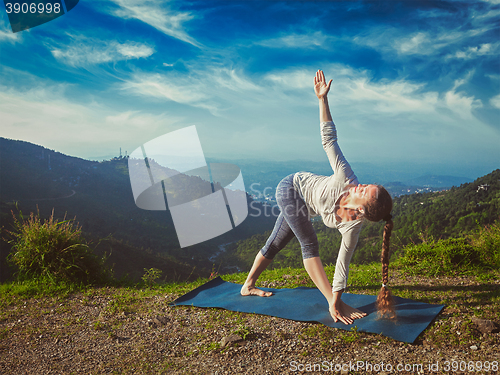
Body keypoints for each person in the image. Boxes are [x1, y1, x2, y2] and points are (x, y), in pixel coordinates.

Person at [240, 70, 395, 324]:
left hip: (303, 206)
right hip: (291, 188)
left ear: (363, 212)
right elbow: (329, 140)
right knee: (310, 242)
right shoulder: (346, 176)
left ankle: (247, 286)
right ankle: (254, 285)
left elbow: (342, 264)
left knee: (275, 243)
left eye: (365, 191)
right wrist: (322, 99)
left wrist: (338, 297)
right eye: (367, 185)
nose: (361, 185)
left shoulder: (352, 227)